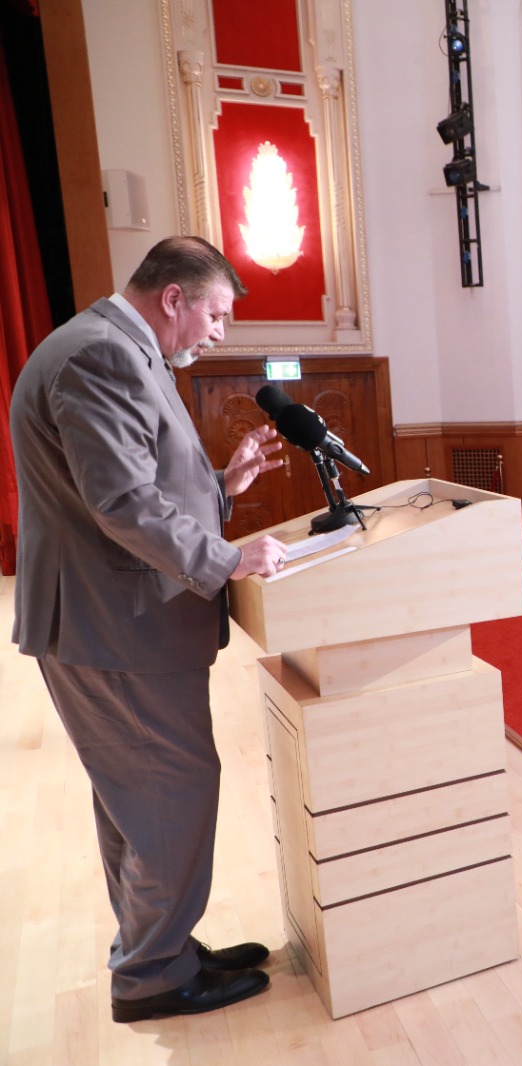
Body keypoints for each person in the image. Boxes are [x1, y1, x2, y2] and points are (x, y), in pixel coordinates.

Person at [10, 235, 285, 1021]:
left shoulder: (124, 349)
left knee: (142, 798)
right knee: (169, 790)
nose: (219, 333)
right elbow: (123, 504)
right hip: (114, 625)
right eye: (217, 315)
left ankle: (161, 946)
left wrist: (224, 485)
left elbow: (142, 481)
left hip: (116, 619)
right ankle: (152, 976)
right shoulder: (101, 355)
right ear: (173, 298)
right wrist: (228, 558)